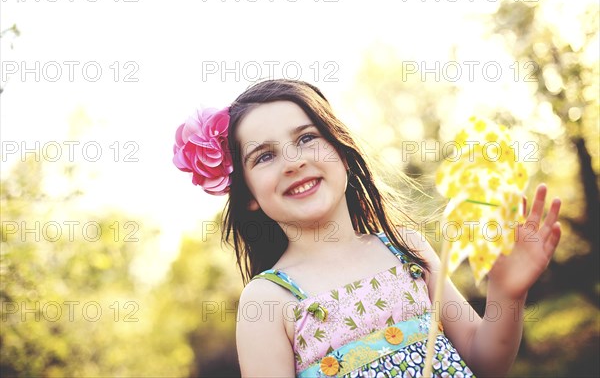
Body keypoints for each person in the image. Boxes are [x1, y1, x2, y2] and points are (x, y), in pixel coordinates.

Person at [172, 79, 562, 377]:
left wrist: (506, 294)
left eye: (307, 138)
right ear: (248, 195)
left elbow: (486, 360)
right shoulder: (268, 300)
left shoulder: (404, 246)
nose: (293, 162)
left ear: (341, 150)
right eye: (265, 156)